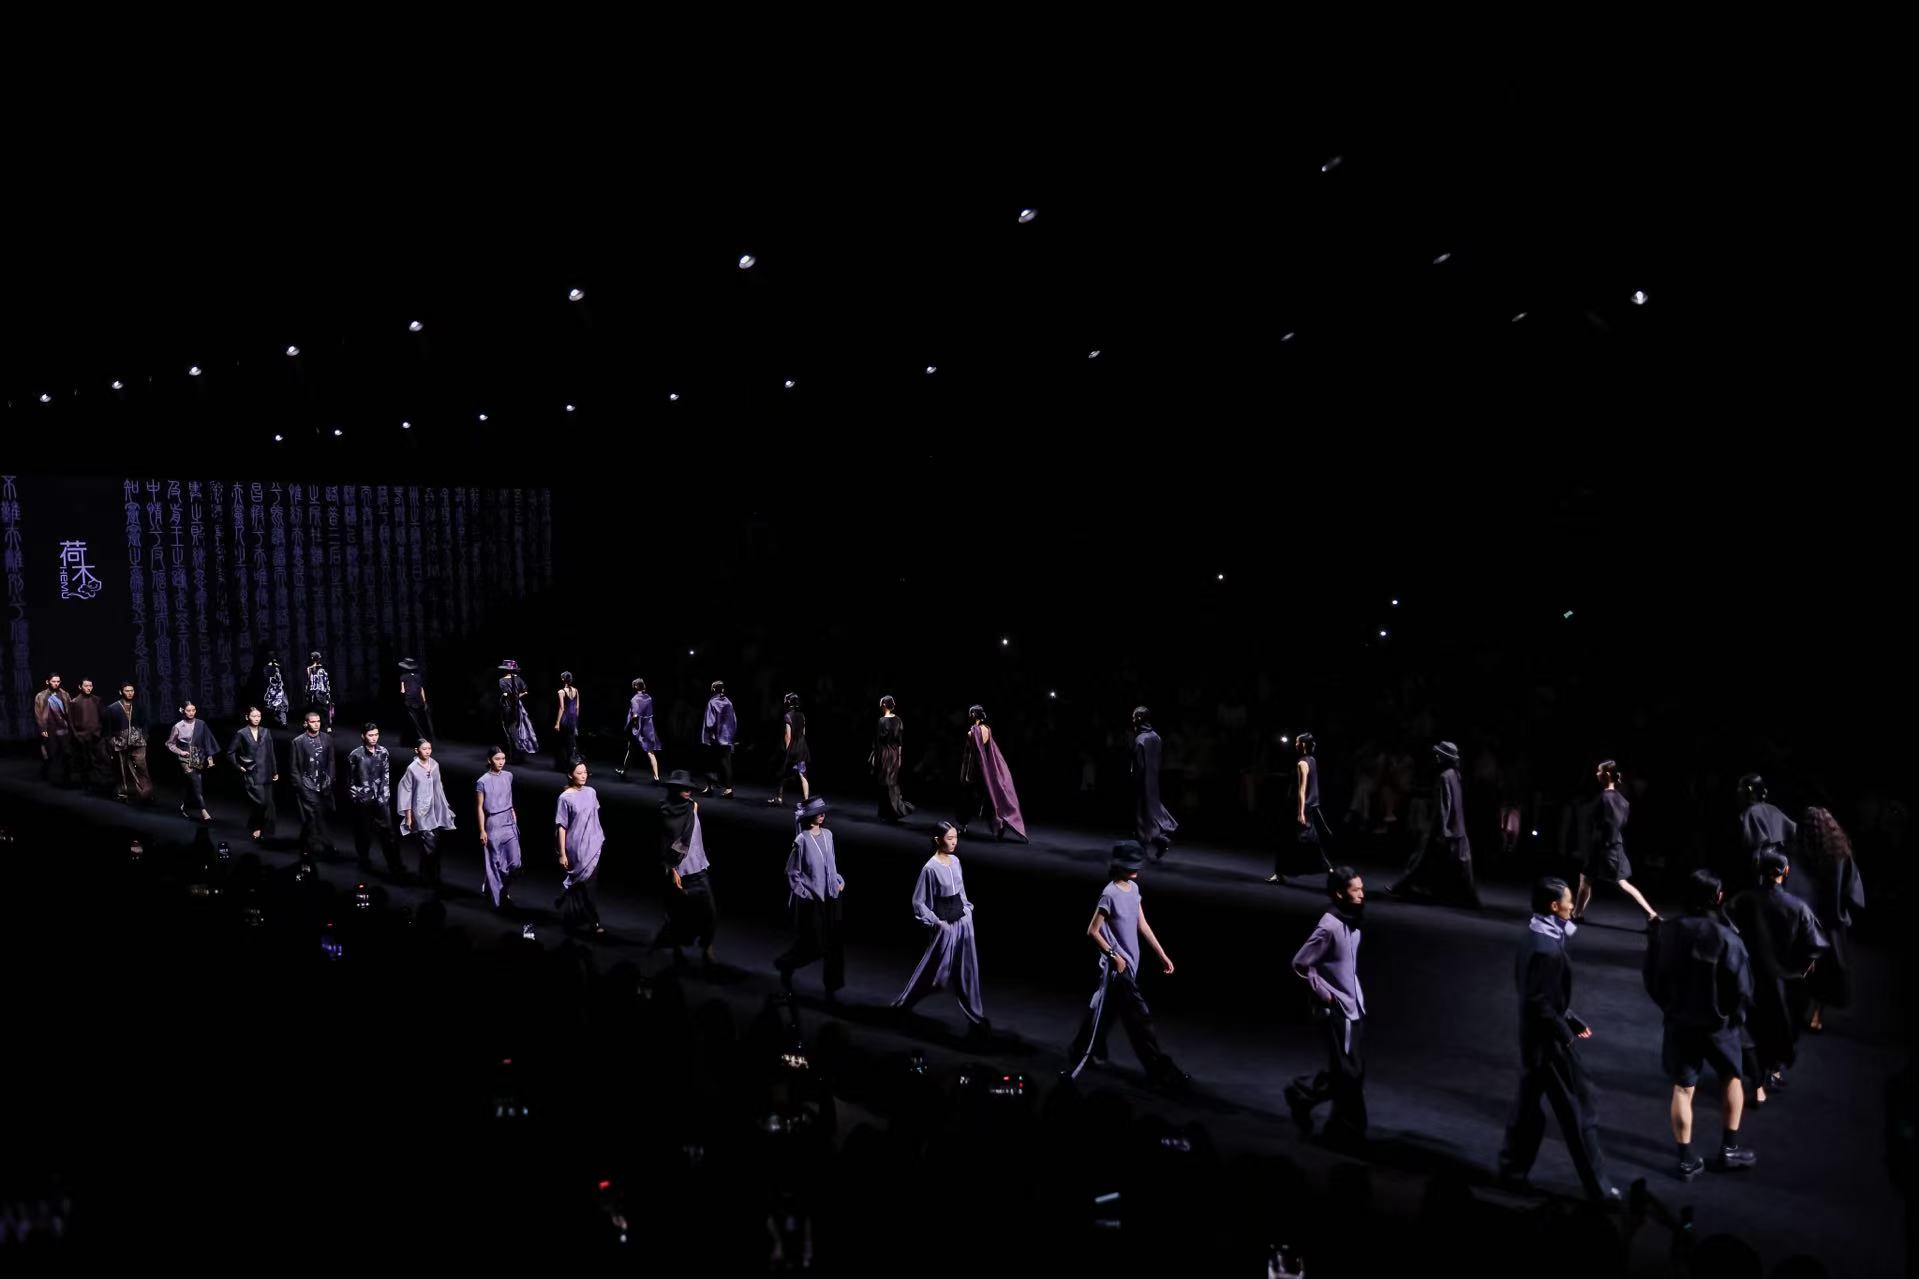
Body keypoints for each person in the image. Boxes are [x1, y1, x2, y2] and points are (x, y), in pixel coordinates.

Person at [1497, 877, 1623, 1206]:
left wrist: (1568, 1016)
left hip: (1533, 1039)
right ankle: (1599, 1189)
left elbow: (1539, 994)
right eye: (1569, 901)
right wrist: (1564, 1033)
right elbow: (1539, 1002)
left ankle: (1511, 1172)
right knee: (1579, 1112)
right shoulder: (1547, 949)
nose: (1572, 906)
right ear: (1555, 906)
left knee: (1528, 1110)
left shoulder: (1534, 935)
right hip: (1548, 1044)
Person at [1643, 870, 1757, 1179]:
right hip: (1718, 1027)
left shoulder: (1665, 932)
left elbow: (1651, 978)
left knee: (1683, 1088)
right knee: (1731, 1078)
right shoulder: (1727, 938)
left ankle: (1686, 1161)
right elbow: (1743, 989)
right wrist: (1730, 1017)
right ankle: (1729, 1149)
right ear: (1718, 897)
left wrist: (1670, 1008)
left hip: (1680, 1022)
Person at [1065, 841, 1190, 1092]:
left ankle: (1079, 1049)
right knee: (1140, 1020)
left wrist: (1162, 954)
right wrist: (1114, 956)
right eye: (1129, 865)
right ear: (1118, 866)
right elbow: (1092, 931)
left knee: (1103, 1008)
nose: (1135, 869)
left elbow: (1142, 924)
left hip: (1130, 965)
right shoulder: (1109, 894)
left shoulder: (1134, 889)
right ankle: (1160, 1071)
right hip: (1118, 970)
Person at [1727, 851, 1828, 1102]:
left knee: (1751, 1028)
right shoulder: (1798, 907)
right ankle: (1770, 1071)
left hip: (1749, 977)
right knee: (1780, 1028)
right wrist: (1803, 972)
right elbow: (1815, 947)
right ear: (1786, 872)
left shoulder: (1743, 900)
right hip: (1785, 982)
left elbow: (1726, 927)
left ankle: (1755, 1076)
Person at [1285, 867, 1368, 1144]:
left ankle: (1304, 1095)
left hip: (1353, 1005)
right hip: (1338, 1009)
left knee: (1348, 1070)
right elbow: (1300, 963)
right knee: (1350, 1072)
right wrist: (1325, 994)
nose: (1361, 894)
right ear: (1339, 893)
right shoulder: (1330, 926)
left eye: (1361, 888)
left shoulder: (1352, 920)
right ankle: (1346, 1129)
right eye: (1355, 890)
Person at [891, 822, 987, 1037]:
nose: (954, 842)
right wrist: (936, 923)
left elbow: (961, 892)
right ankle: (902, 1006)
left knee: (968, 971)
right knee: (933, 974)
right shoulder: (930, 868)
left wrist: (967, 910)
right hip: (945, 927)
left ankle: (976, 1017)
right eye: (949, 838)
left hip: (963, 922)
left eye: (956, 838)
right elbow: (919, 902)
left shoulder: (956, 861)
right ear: (937, 840)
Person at [1793, 806, 1865, 1032]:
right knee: (1826, 973)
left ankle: (1799, 1010)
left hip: (1804, 920)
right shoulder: (1840, 855)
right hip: (1830, 922)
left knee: (1803, 968)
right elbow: (1853, 892)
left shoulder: (1798, 854)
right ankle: (1816, 1016)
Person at [1390, 741, 1480, 907]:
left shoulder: (1445, 776)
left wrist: (1443, 829)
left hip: (1443, 828)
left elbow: (1445, 805)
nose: (1437, 757)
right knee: (1460, 863)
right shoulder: (1455, 774)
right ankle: (1467, 897)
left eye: (1440, 755)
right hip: (1457, 827)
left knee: (1422, 860)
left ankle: (1403, 887)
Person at [776, 797, 846, 1001]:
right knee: (814, 945)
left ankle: (831, 990)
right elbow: (792, 872)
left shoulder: (828, 835)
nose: (822, 815)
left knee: (834, 946)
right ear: (809, 816)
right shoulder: (802, 840)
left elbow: (831, 863)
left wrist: (839, 881)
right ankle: (787, 964)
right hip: (813, 902)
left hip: (832, 897)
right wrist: (805, 893)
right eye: (818, 812)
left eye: (823, 812)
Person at [1574, 761, 1657, 924]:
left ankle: (1651, 914)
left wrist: (1606, 843)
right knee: (1586, 878)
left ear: (1606, 775)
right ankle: (1577, 913)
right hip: (1607, 845)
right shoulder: (1621, 800)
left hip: (1606, 847)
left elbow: (1611, 823)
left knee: (1620, 883)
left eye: (1599, 772)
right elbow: (1620, 822)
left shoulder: (1605, 798)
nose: (1597, 774)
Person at [656, 769, 718, 969]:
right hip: (679, 871)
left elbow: (691, 835)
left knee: (710, 912)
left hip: (698, 868)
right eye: (683, 788)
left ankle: (707, 946)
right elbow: (664, 843)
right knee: (678, 915)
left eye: (689, 788)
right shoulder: (665, 811)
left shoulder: (693, 806)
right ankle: (677, 950)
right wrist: (672, 869)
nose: (688, 791)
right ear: (674, 789)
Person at [957, 705, 1027, 842]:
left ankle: (964, 825)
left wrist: (965, 775)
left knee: (969, 797)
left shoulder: (972, 732)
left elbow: (970, 755)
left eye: (970, 714)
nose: (969, 716)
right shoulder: (987, 729)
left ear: (974, 715)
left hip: (976, 771)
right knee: (989, 798)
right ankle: (998, 825)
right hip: (986, 771)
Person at [1268, 732, 1330, 884]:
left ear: (1302, 744)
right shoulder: (1312, 760)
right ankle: (1280, 872)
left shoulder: (1302, 763)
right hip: (1308, 806)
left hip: (1298, 807)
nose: (1295, 745)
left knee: (1301, 840)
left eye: (1297, 742)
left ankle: (1328, 869)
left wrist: (1300, 812)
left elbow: (1302, 789)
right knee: (1298, 840)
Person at [555, 761, 607, 937]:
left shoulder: (591, 792)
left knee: (589, 886)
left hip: (592, 845)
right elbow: (561, 826)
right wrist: (562, 853)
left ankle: (593, 921)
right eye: (579, 773)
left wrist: (597, 837)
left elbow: (594, 815)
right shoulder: (565, 798)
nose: (584, 775)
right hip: (575, 847)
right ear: (570, 775)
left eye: (585, 772)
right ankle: (571, 916)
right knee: (578, 883)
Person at [398, 738, 455, 892]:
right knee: (428, 846)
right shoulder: (412, 769)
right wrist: (408, 816)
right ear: (417, 750)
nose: (428, 751)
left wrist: (445, 806)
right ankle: (431, 878)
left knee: (434, 846)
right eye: (424, 749)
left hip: (435, 811)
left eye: (429, 748)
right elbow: (405, 792)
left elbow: (439, 787)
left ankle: (427, 875)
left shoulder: (434, 765)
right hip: (421, 813)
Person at [347, 722, 404, 876]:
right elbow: (351, 779)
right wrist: (356, 796)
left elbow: (386, 775)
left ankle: (395, 865)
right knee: (363, 833)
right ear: (363, 736)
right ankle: (364, 861)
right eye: (370, 735)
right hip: (363, 800)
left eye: (376, 735)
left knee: (388, 833)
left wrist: (385, 795)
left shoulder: (383, 752)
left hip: (381, 799)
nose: (374, 738)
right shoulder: (355, 755)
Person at [474, 746, 522, 911]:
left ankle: (501, 889)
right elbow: (479, 807)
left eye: (503, 758)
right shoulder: (482, 781)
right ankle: (497, 901)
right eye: (497, 759)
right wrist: (482, 830)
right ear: (489, 760)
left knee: (515, 863)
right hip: (493, 822)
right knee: (495, 863)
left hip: (508, 820)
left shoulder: (509, 776)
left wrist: (513, 813)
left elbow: (509, 797)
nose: (501, 762)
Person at [1130, 706, 1178, 860]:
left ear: (1139, 718)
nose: (1133, 719)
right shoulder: (1156, 737)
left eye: (1135, 716)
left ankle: (1142, 848)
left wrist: (1134, 778)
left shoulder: (1140, 739)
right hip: (1153, 781)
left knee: (1141, 815)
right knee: (1150, 813)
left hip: (1142, 781)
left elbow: (1138, 765)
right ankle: (1160, 841)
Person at [226, 705, 279, 840]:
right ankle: (256, 826)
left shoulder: (266, 732)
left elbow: (271, 753)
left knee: (268, 803)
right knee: (261, 802)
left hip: (266, 771)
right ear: (247, 717)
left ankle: (262, 828)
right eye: (254, 716)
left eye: (259, 716)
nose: (257, 718)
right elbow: (230, 752)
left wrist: (275, 771)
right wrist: (239, 766)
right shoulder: (242, 733)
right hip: (252, 772)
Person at [289, 709, 336, 857]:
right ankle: (323, 844)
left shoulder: (327, 739)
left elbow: (331, 761)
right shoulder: (298, 742)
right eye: (313, 722)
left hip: (323, 784)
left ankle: (305, 843)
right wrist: (300, 786)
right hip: (307, 784)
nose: (316, 724)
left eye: (318, 721)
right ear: (306, 723)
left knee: (313, 816)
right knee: (315, 813)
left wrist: (330, 779)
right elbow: (294, 767)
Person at [165, 699, 219, 822]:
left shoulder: (201, 724)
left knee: (193, 784)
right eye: (188, 710)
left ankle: (185, 806)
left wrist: (210, 758)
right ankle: (203, 810)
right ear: (183, 711)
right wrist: (180, 752)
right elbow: (170, 743)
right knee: (195, 782)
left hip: (198, 756)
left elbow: (207, 742)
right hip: (185, 757)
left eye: (193, 710)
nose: (191, 712)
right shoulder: (178, 726)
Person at [1737, 774, 1798, 879]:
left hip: (1763, 866)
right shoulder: (1773, 809)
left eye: (1740, 790)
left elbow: (1753, 844)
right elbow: (1792, 830)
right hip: (1783, 863)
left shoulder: (1750, 813)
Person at [104, 681, 153, 803]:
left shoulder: (139, 706)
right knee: (120, 769)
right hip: (119, 742)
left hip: (138, 742)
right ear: (121, 692)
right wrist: (111, 741)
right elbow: (107, 728)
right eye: (127, 691)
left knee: (142, 768)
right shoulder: (112, 708)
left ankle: (146, 794)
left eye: (132, 690)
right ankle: (122, 794)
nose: (130, 693)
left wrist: (144, 737)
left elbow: (145, 723)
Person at [871, 695, 913, 821]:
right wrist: (899, 757)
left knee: (884, 783)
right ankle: (892, 811)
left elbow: (878, 741)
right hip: (894, 754)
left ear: (884, 705)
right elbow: (900, 742)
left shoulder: (881, 721)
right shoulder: (899, 720)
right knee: (891, 782)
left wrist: (874, 756)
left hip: (884, 754)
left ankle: (890, 811)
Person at [767, 692, 811, 807]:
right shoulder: (802, 715)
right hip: (802, 747)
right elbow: (804, 733)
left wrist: (787, 751)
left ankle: (779, 798)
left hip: (793, 749)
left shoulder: (788, 716)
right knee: (803, 774)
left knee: (782, 775)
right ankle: (806, 800)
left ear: (788, 702)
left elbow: (788, 736)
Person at [66, 677, 106, 792]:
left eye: (90, 686)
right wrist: (76, 735)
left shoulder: (97, 700)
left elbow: (103, 717)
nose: (89, 688)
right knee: (84, 761)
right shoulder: (74, 702)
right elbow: (70, 721)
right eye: (86, 686)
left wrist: (100, 732)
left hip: (96, 735)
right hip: (81, 736)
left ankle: (100, 783)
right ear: (80, 687)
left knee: (99, 760)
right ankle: (86, 784)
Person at [618, 678, 662, 782]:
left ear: (636, 687)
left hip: (637, 728)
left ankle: (624, 772)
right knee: (650, 752)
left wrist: (633, 724)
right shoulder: (649, 698)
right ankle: (656, 777)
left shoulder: (635, 699)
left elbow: (635, 715)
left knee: (631, 750)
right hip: (648, 727)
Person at [33, 673, 72, 786]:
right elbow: (38, 714)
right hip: (49, 728)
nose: (56, 684)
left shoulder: (64, 694)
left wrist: (71, 726)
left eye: (58, 681)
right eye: (53, 681)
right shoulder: (41, 696)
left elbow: (70, 712)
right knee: (50, 753)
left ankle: (66, 777)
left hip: (63, 728)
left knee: (67, 753)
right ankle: (47, 775)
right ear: (48, 682)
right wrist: (42, 728)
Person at [701, 680, 738, 798]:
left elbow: (710, 722)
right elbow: (734, 721)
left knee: (710, 762)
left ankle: (710, 787)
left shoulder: (712, 702)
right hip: (727, 737)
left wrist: (710, 735)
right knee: (726, 763)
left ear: (713, 690)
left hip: (715, 737)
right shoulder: (729, 702)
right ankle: (728, 789)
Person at [498, 660, 538, 763]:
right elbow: (525, 691)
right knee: (517, 730)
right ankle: (517, 755)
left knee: (510, 732)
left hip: (507, 708)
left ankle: (514, 756)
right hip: (517, 708)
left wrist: (511, 697)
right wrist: (517, 697)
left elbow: (506, 693)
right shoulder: (519, 679)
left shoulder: (502, 680)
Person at [397, 658, 434, 746]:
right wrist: (424, 702)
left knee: (410, 721)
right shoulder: (418, 677)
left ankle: (409, 741)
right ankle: (421, 740)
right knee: (419, 720)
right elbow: (421, 690)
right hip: (418, 701)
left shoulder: (403, 677)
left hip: (409, 701)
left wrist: (404, 697)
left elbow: (402, 690)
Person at [553, 671, 582, 773]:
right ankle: (571, 766)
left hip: (565, 719)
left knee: (562, 743)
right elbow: (577, 707)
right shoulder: (576, 690)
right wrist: (575, 721)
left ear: (562, 679)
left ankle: (563, 766)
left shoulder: (561, 691)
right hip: (573, 719)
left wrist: (557, 722)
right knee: (571, 743)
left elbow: (562, 708)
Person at [304, 652, 335, 731]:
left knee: (325, 709)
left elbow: (326, 681)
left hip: (321, 692)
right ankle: (320, 726)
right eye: (314, 658)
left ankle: (327, 726)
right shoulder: (310, 669)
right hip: (314, 693)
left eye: (315, 658)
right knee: (314, 709)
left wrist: (328, 693)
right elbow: (308, 681)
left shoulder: (323, 668)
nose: (315, 659)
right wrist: (307, 692)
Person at [261, 652, 291, 727]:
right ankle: (276, 722)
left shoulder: (279, 667)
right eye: (270, 656)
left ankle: (282, 723)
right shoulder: (267, 668)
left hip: (279, 691)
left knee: (281, 708)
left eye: (273, 656)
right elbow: (266, 679)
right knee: (272, 708)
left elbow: (284, 678)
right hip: (272, 690)